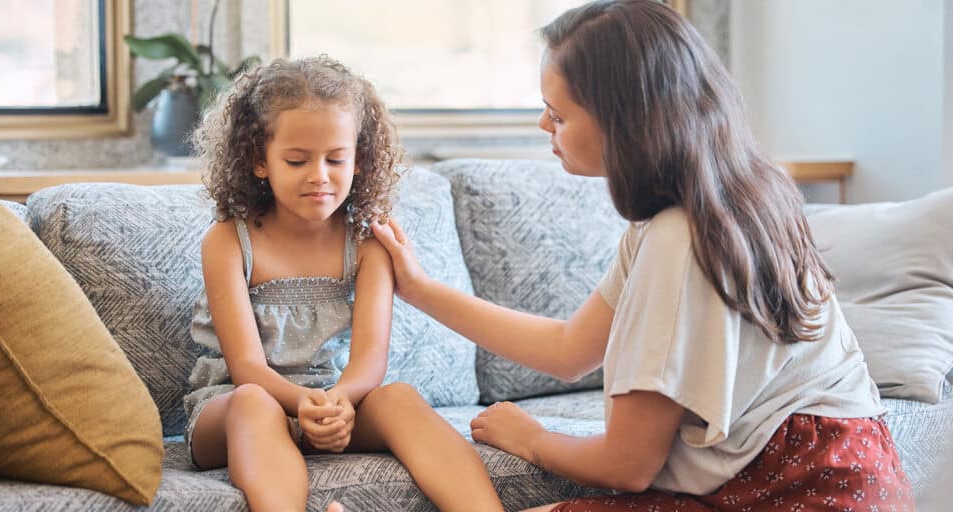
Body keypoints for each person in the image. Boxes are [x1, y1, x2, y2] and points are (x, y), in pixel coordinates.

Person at [371, 1, 915, 510]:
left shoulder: (678, 241)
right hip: (855, 468)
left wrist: (534, 439)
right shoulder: (722, 198)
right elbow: (568, 350)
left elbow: (628, 464)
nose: (544, 127)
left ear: (624, 122)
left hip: (803, 485)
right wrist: (420, 288)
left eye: (558, 115)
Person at [184, 56, 504, 512]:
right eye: (297, 160)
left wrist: (335, 403)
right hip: (238, 406)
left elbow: (370, 359)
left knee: (398, 397)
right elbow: (247, 367)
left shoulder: (367, 242)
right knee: (255, 403)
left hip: (337, 401)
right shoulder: (228, 241)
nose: (319, 175)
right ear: (259, 160)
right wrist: (304, 403)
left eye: (336, 158)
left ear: (360, 159)